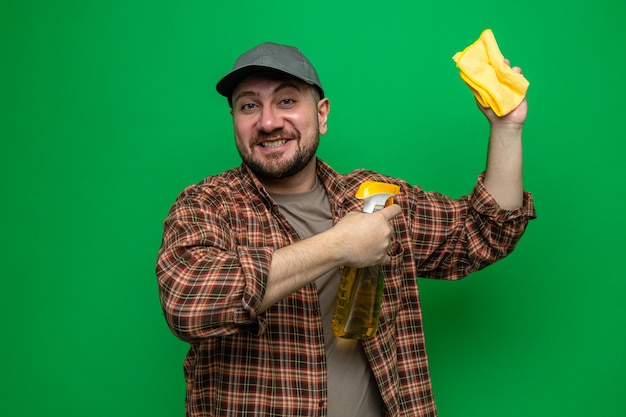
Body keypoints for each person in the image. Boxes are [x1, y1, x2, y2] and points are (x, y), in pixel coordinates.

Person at [156, 42, 536, 417]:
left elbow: (485, 230)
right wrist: (339, 245)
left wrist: (506, 128)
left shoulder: (375, 198)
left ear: (322, 114)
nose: (268, 121)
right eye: (249, 105)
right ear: (235, 121)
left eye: (287, 101)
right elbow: (189, 302)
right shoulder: (206, 205)